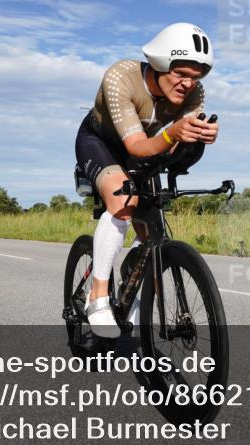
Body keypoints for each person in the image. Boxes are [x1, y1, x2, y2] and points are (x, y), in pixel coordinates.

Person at [75, 23, 219, 337]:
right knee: (123, 200)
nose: (188, 84)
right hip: (102, 143)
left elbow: (174, 147)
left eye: (196, 77)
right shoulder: (121, 77)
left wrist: (199, 139)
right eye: (181, 73)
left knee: (151, 221)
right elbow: (137, 146)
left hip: (147, 149)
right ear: (159, 64)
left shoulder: (195, 94)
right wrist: (173, 133)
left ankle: (133, 280)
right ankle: (97, 297)